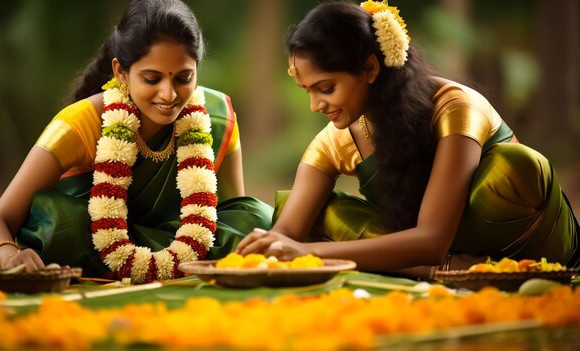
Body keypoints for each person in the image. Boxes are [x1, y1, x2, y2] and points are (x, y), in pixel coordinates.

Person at [236, 0, 580, 279]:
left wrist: (310, 253)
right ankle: (450, 270)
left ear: (370, 69)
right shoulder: (337, 138)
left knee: (512, 167)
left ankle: (442, 268)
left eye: (326, 89)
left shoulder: (454, 108)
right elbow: (287, 233)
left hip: (525, 241)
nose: (315, 106)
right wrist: (269, 248)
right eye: (307, 91)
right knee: (322, 215)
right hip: (439, 255)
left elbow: (431, 240)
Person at [0, 0, 273, 283]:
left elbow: (230, 216)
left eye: (183, 78)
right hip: (93, 245)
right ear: (121, 72)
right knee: (62, 226)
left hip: (187, 239)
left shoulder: (216, 117)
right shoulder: (80, 123)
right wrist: (8, 255)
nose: (169, 95)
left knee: (258, 220)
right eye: (152, 79)